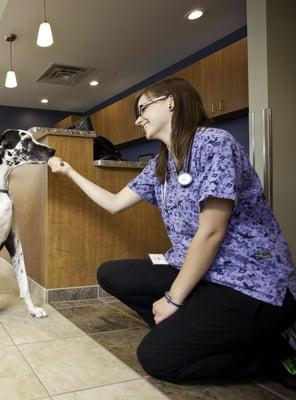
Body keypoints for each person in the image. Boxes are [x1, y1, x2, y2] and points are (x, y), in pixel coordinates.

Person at [48, 77, 296, 384]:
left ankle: (271, 350)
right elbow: (114, 203)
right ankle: (190, 329)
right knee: (112, 273)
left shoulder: (213, 143)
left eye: (142, 108)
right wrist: (70, 172)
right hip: (202, 274)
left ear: (171, 101)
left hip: (249, 281)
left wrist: (174, 299)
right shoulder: (160, 164)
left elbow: (211, 232)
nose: (138, 119)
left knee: (157, 359)